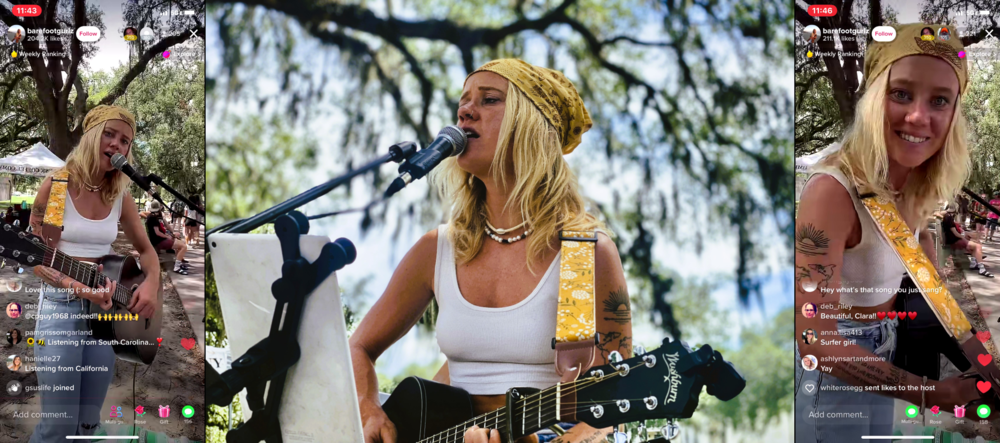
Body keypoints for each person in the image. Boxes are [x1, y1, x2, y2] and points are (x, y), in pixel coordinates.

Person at [351, 59, 626, 443]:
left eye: (490, 99)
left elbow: (615, 400)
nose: (465, 110)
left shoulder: (584, 254)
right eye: (463, 101)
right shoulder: (438, 248)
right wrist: (368, 410)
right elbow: (359, 346)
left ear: (531, 126)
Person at [795, 23, 981, 442]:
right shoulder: (831, 191)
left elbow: (925, 272)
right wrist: (933, 392)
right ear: (875, 98)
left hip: (887, 343)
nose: (918, 116)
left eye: (939, 100)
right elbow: (814, 341)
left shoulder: (914, 183)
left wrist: (979, 358)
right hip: (837, 362)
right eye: (901, 93)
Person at [27, 105, 160, 440]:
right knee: (58, 424)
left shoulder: (119, 194)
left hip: (107, 315)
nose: (117, 144)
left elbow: (147, 252)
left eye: (125, 140)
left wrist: (152, 285)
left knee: (88, 423)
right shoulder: (58, 186)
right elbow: (41, 258)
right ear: (90, 138)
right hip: (61, 308)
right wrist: (79, 288)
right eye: (109, 134)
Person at [943, 209, 992, 277]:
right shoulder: (949, 219)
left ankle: (974, 263)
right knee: (977, 246)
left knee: (977, 244)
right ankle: (982, 269)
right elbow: (956, 234)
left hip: (956, 240)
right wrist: (965, 238)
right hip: (956, 242)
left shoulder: (948, 217)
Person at [146, 201, 190, 275]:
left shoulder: (158, 216)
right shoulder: (153, 218)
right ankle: (177, 267)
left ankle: (179, 262)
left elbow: (167, 225)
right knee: (184, 246)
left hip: (162, 238)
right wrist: (168, 236)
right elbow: (157, 233)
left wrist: (173, 233)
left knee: (180, 242)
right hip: (159, 241)